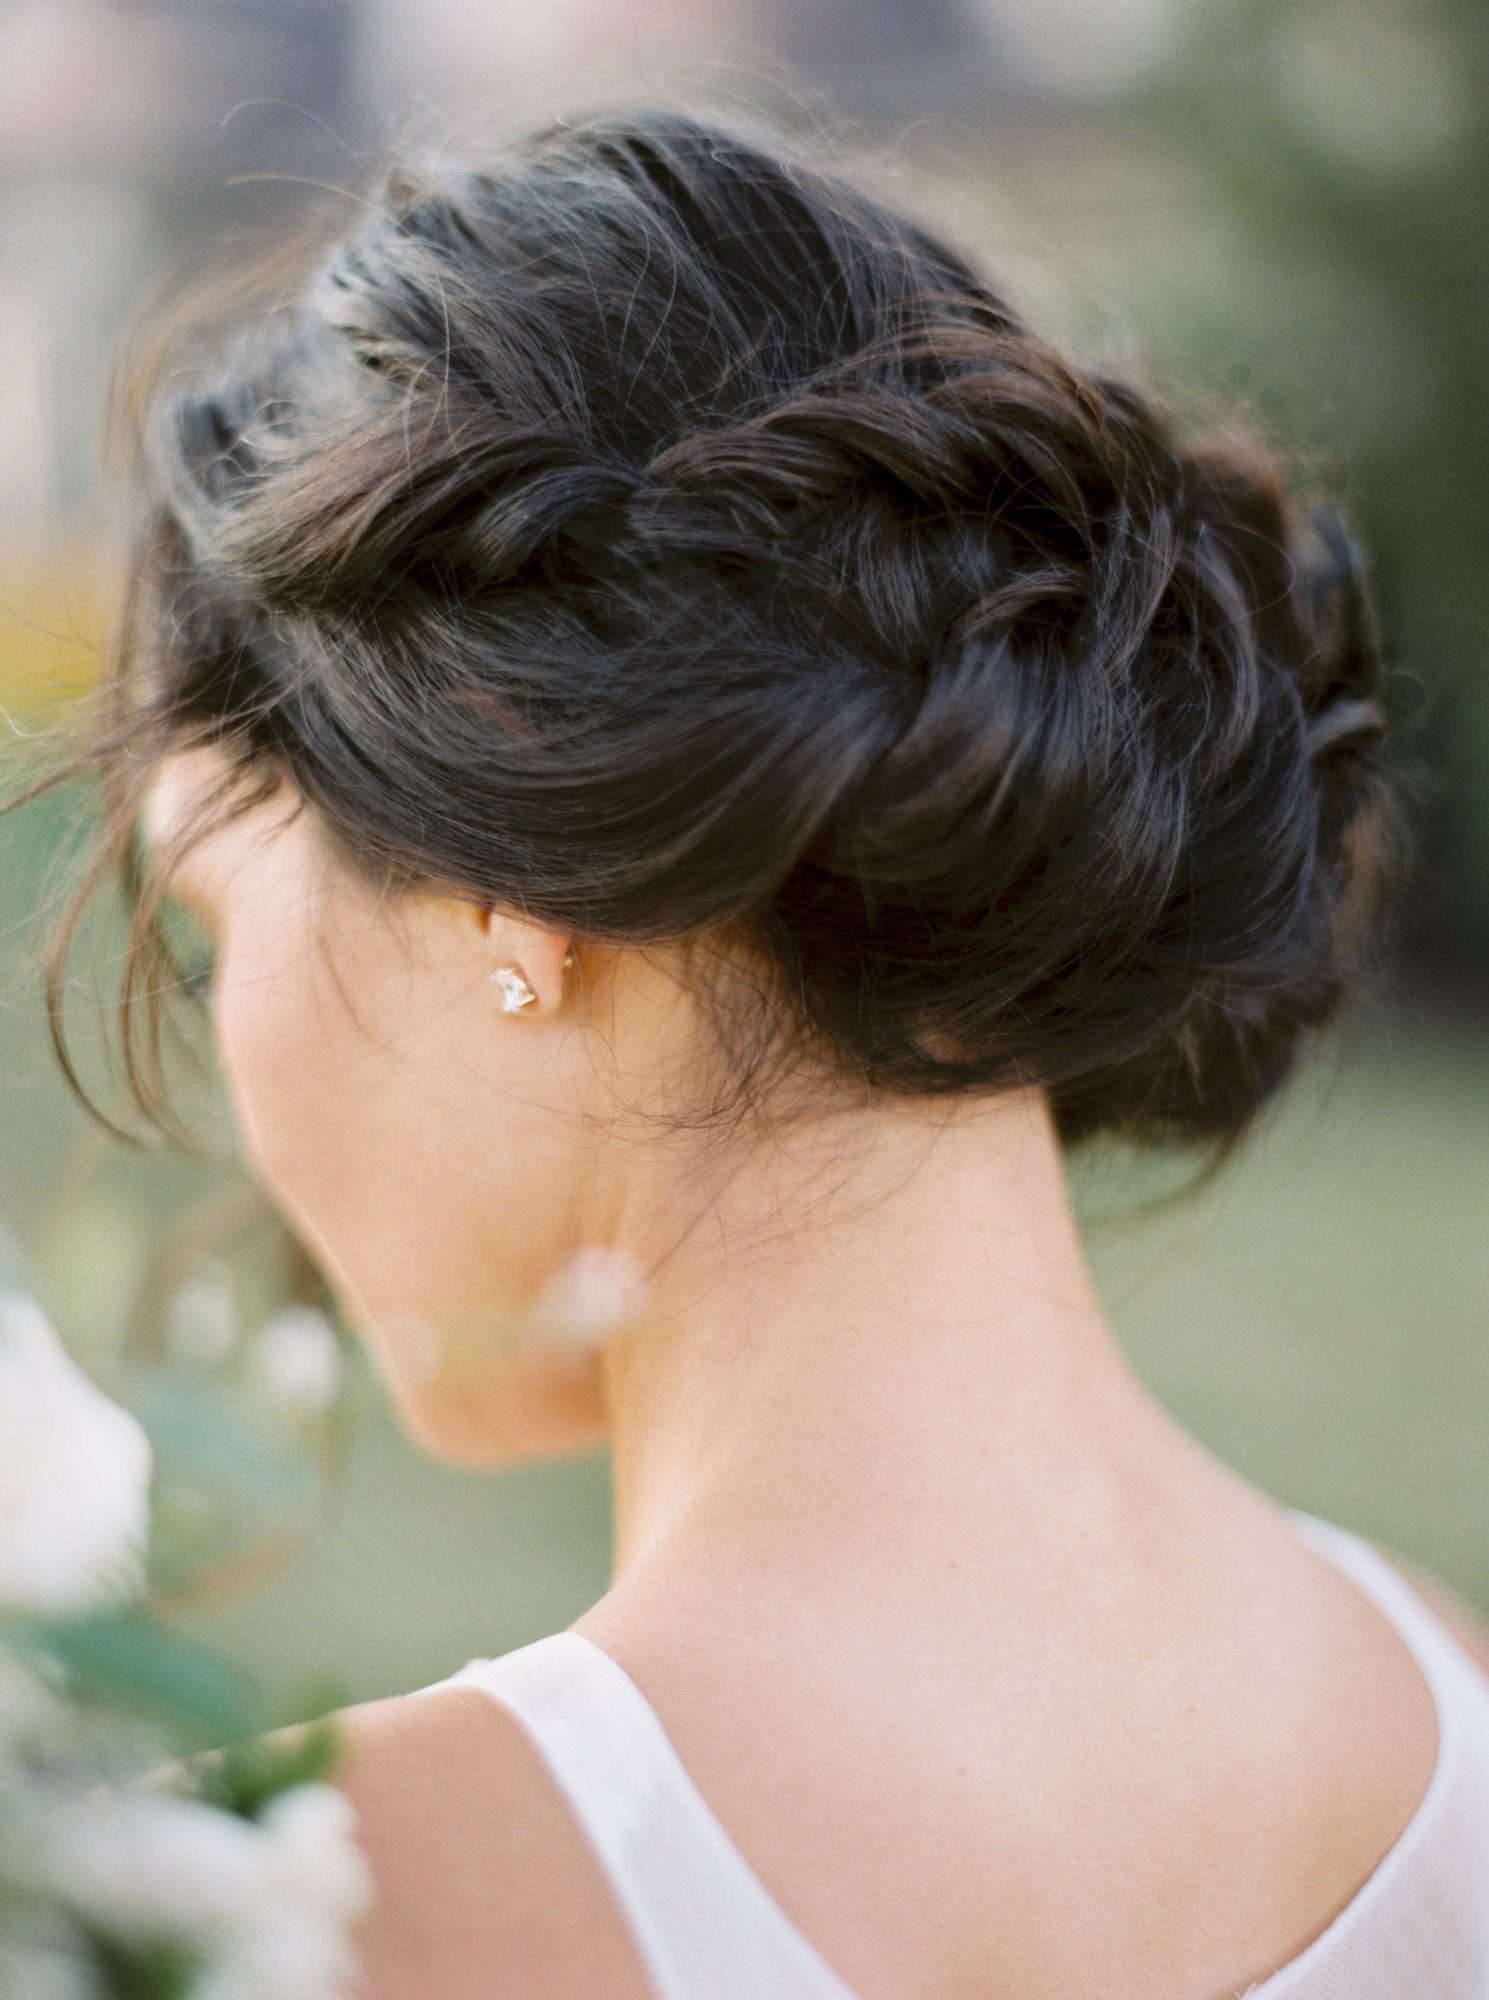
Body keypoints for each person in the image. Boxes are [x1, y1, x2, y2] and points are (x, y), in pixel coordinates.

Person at [9, 100, 1489, 1999]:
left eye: (214, 925)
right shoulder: (1448, 1708)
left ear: (499, 900)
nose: (237, 1079)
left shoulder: (283, 1914)